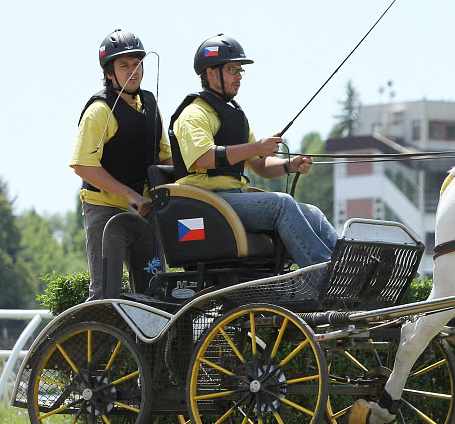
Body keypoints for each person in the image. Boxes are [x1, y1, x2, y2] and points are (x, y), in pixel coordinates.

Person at [169, 34, 338, 266]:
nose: (239, 77)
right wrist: (256, 147)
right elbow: (203, 158)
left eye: (240, 71)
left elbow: (260, 166)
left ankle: (348, 268)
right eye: (232, 70)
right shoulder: (193, 114)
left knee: (313, 214)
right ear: (210, 73)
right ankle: (322, 273)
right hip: (209, 202)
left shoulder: (235, 117)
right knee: (282, 204)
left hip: (234, 200)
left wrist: (288, 165)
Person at [71, 29, 173, 300]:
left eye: (137, 63)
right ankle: (94, 340)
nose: (133, 70)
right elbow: (83, 166)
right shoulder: (99, 110)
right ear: (108, 73)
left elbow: (165, 158)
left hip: (145, 211)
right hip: (106, 214)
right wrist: (130, 195)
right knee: (106, 294)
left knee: (155, 292)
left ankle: (146, 343)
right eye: (124, 65)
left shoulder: (151, 105)